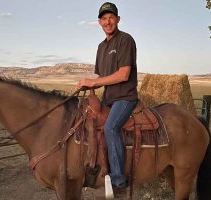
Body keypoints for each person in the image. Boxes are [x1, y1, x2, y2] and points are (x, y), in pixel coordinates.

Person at [76, 2, 138, 189]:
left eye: (111, 17)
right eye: (104, 18)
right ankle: (95, 168)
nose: (108, 21)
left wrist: (94, 82)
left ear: (118, 19)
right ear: (99, 22)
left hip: (125, 98)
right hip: (108, 99)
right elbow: (99, 76)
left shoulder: (125, 40)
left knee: (111, 128)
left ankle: (118, 182)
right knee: (87, 122)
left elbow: (123, 74)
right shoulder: (101, 47)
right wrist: (85, 84)